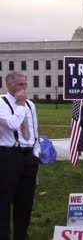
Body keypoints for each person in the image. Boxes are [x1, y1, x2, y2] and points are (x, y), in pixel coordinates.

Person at [0, 71, 40, 240]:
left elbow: (34, 132)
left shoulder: (30, 105)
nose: (24, 88)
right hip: (9, 156)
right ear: (9, 85)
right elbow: (13, 124)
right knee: (4, 199)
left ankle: (21, 234)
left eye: (25, 84)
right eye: (20, 85)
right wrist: (20, 105)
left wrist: (35, 153)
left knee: (25, 201)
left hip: (28, 156)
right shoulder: (2, 103)